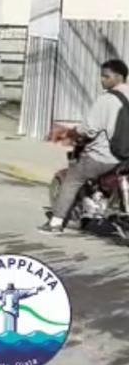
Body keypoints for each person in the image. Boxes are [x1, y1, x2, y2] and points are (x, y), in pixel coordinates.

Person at [43, 59, 129, 234]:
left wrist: (70, 133)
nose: (102, 80)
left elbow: (88, 130)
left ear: (119, 77)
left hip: (108, 156)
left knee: (74, 177)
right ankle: (102, 200)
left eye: (106, 76)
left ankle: (55, 223)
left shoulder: (107, 99)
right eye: (102, 76)